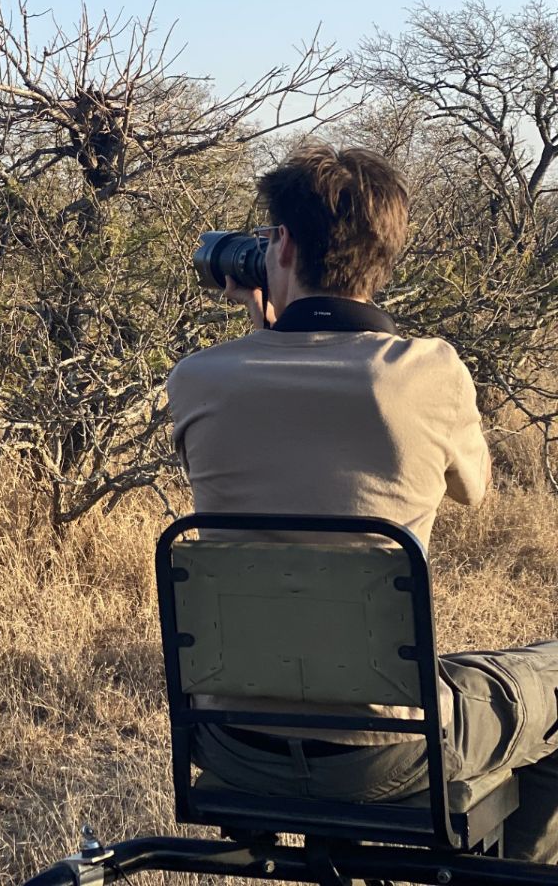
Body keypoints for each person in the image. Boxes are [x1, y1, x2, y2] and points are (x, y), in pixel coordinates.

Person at [165, 142, 558, 862]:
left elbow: (273, 430)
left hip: (232, 746)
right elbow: (475, 490)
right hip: (390, 754)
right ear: (385, 255)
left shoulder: (197, 379)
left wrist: (266, 324)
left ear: (278, 245)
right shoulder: (429, 372)